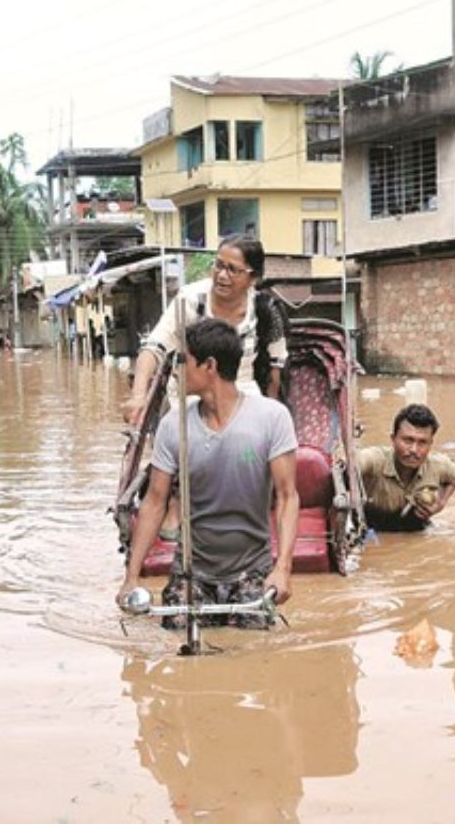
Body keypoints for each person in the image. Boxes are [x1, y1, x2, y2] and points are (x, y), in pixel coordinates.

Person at [116, 318, 300, 628]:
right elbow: (155, 502)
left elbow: (287, 496)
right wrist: (131, 578)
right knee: (176, 640)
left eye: (183, 362)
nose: (176, 371)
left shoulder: (272, 417)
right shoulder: (174, 425)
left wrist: (282, 568)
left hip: (251, 570)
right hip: (192, 569)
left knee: (257, 647)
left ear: (209, 366)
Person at [121, 235, 287, 426]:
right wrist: (138, 396)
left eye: (232, 270)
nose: (222, 275)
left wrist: (272, 418)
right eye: (218, 265)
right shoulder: (190, 300)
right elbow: (154, 347)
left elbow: (276, 369)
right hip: (188, 395)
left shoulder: (265, 309)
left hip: (242, 392)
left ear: (253, 278)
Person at [358, 403, 455, 532]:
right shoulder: (375, 461)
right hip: (373, 529)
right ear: (393, 439)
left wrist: (440, 504)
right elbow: (352, 465)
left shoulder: (438, 466)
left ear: (430, 444)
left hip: (416, 530)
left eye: (422, 442)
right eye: (408, 440)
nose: (414, 450)